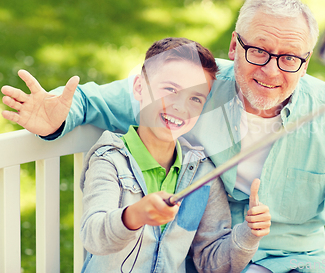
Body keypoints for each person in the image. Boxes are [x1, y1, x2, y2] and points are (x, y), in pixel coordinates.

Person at [1, 0, 325, 273]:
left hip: (298, 264)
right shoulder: (195, 89)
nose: (272, 72)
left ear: (307, 60)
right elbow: (96, 102)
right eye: (258, 52)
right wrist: (55, 120)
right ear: (235, 45)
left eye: (291, 58)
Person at [77, 37, 271, 272]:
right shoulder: (110, 159)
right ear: (139, 87)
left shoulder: (202, 174)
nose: (180, 106)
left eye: (195, 99)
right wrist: (134, 215)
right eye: (170, 90)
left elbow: (212, 263)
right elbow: (94, 235)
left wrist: (248, 235)